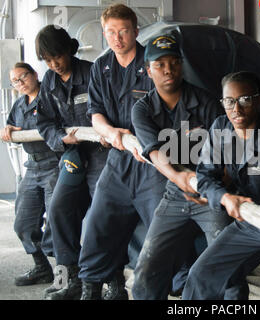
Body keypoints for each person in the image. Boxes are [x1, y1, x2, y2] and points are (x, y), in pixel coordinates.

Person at [130, 34, 232, 300]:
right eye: (160, 64)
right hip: (174, 194)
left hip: (210, 193)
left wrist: (214, 186)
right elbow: (153, 152)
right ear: (148, 69)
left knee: (226, 266)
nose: (168, 70)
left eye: (174, 62)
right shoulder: (141, 110)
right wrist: (179, 178)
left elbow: (226, 152)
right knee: (147, 266)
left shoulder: (206, 102)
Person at [77, 4, 168, 300]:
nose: (117, 38)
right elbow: (96, 113)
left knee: (162, 230)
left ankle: (164, 289)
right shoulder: (101, 68)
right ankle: (92, 286)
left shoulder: (155, 64)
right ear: (104, 34)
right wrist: (109, 131)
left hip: (152, 161)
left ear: (136, 32)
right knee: (97, 223)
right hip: (118, 160)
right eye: (111, 32)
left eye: (124, 31)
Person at [181, 71, 260, 300]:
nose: (236, 109)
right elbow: (205, 176)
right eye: (229, 101)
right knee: (201, 275)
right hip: (249, 221)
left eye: (244, 100)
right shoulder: (221, 128)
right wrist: (225, 197)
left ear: (258, 100)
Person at [35, 25, 110, 300]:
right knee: (58, 210)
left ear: (70, 49)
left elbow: (111, 110)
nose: (54, 64)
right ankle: (69, 279)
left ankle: (108, 280)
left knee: (101, 215)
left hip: (102, 154)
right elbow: (43, 121)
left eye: (57, 56)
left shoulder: (94, 73)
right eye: (47, 60)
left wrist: (108, 131)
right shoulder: (49, 81)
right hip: (73, 156)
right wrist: (59, 139)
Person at [1, 62, 60, 286]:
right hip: (32, 168)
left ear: (35, 74)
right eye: (15, 81)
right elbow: (11, 127)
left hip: (54, 164)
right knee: (23, 224)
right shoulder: (18, 104)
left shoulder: (51, 97)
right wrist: (9, 130)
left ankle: (67, 274)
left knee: (58, 222)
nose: (20, 83)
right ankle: (42, 268)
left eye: (23, 77)